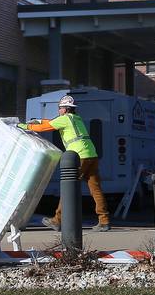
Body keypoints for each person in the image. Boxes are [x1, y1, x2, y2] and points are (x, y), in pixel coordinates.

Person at [18, 94, 110, 231]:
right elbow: (49, 122)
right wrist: (38, 121)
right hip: (92, 154)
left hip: (79, 156)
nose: (59, 110)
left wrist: (24, 126)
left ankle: (57, 220)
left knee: (68, 187)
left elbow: (44, 128)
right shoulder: (76, 119)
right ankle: (104, 221)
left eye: (60, 108)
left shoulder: (65, 119)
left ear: (66, 109)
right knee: (95, 189)